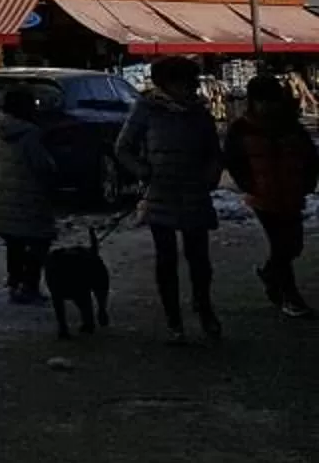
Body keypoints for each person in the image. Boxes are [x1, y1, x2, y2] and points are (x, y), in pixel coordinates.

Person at [117, 55, 228, 343]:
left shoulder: (199, 112)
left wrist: (211, 175)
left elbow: (214, 152)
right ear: (167, 84)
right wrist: (143, 171)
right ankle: (173, 318)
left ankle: (204, 306)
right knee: (166, 259)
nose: (192, 88)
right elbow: (123, 147)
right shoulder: (147, 110)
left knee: (199, 259)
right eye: (186, 83)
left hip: (194, 191)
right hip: (161, 193)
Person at [223, 74, 318, 318]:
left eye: (271, 100)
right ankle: (289, 295)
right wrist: (249, 185)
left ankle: (270, 275)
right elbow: (234, 161)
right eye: (262, 101)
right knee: (281, 244)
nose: (267, 106)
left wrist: (308, 182)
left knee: (293, 245)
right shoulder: (242, 129)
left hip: (292, 193)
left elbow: (309, 156)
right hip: (263, 197)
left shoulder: (291, 126)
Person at [0, 84, 61, 306]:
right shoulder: (30, 133)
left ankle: (15, 283)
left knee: (15, 243)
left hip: (6, 197)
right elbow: (42, 165)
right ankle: (29, 286)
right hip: (30, 197)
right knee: (39, 241)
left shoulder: (1, 130)